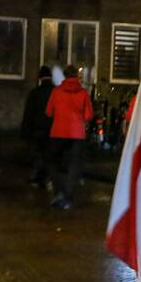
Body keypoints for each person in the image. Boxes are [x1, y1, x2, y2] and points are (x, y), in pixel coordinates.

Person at [45, 65, 93, 210]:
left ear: (65, 76)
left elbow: (48, 112)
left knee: (52, 162)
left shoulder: (56, 91)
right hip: (77, 134)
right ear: (77, 77)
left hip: (58, 133)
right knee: (74, 166)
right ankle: (67, 197)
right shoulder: (83, 93)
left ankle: (58, 192)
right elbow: (88, 115)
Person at [20, 66, 55, 187]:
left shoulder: (35, 93)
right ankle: (47, 177)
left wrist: (25, 130)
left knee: (38, 153)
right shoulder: (56, 92)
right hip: (52, 129)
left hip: (38, 129)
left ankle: (37, 175)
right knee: (49, 154)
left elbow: (29, 113)